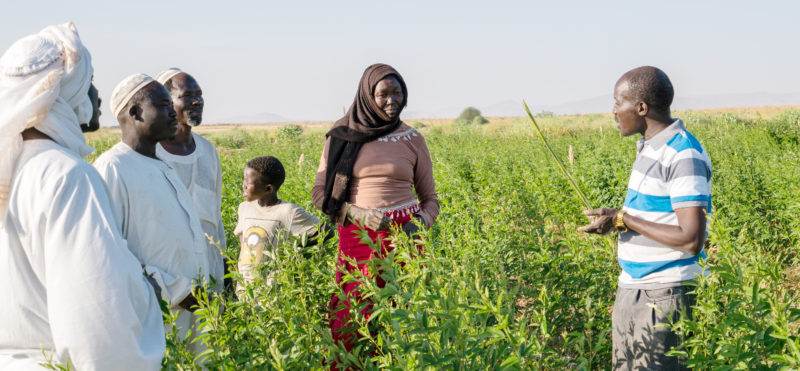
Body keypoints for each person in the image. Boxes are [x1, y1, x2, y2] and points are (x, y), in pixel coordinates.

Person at [0, 22, 164, 370]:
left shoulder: (14, 171)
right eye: (88, 83)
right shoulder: (66, 175)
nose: (96, 95)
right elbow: (98, 326)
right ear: (63, 92)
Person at [579, 66, 712, 370]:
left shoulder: (682, 154)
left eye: (617, 102)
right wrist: (614, 221)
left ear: (641, 107)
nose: (613, 111)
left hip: (665, 293)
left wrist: (623, 219)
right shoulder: (651, 148)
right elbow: (654, 220)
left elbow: (691, 239)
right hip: (635, 288)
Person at [311, 63, 439, 354]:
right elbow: (320, 195)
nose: (392, 101)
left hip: (405, 237)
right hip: (358, 235)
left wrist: (418, 223)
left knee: (406, 312)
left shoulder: (413, 139)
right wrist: (357, 214)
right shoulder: (342, 136)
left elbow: (431, 199)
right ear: (368, 95)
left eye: (398, 93)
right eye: (383, 94)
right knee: (353, 313)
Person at [93, 74, 222, 345]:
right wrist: (178, 292)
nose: (172, 113)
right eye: (164, 105)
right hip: (157, 318)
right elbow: (109, 254)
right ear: (135, 112)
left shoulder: (161, 166)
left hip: (196, 312)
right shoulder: (113, 168)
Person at [155, 68, 226, 293]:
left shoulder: (207, 151)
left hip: (211, 273)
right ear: (166, 102)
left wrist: (225, 266)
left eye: (200, 94)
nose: (197, 101)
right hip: (172, 281)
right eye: (187, 95)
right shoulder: (152, 154)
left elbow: (216, 216)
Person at [235, 156, 322, 296]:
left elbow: (324, 230)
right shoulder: (244, 208)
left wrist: (294, 256)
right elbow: (243, 244)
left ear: (268, 188)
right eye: (244, 179)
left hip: (272, 292)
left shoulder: (288, 212)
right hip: (245, 288)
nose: (243, 184)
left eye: (248, 181)